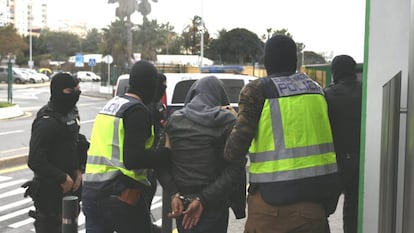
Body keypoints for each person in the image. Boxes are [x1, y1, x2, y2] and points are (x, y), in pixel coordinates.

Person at [223, 35, 341, 233]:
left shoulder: (257, 91)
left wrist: (233, 121)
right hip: (315, 206)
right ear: (295, 62)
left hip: (271, 208)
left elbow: (234, 151)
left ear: (267, 62)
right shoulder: (317, 91)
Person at [81, 60, 171, 233]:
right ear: (150, 85)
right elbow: (133, 159)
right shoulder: (137, 111)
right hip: (119, 193)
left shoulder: (111, 105)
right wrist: (165, 154)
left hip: (92, 192)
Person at [156, 75, 246, 233]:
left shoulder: (174, 121)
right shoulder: (226, 122)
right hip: (214, 205)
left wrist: (174, 193)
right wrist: (203, 199)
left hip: (181, 205)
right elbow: (236, 168)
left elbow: (161, 163)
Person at [24, 72, 88, 233]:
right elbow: (35, 160)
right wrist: (61, 177)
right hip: (50, 193)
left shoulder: (72, 112)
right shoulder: (46, 121)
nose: (75, 94)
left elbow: (78, 142)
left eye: (77, 89)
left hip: (72, 190)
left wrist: (80, 169)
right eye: (70, 90)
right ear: (58, 91)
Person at [324, 55, 362, 233]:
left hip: (335, 161)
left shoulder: (328, 94)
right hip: (360, 160)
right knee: (352, 208)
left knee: (322, 208)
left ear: (335, 72)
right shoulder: (366, 91)